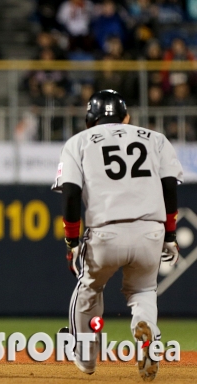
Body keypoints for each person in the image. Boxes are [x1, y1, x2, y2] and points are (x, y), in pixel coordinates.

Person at [51, 90, 183, 381]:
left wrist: (72, 241)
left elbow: (70, 193)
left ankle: (85, 356)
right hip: (150, 231)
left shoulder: (79, 142)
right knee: (143, 291)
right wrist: (170, 235)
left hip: (105, 232)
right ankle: (148, 336)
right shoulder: (156, 138)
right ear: (126, 117)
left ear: (90, 120)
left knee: (89, 288)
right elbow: (170, 187)